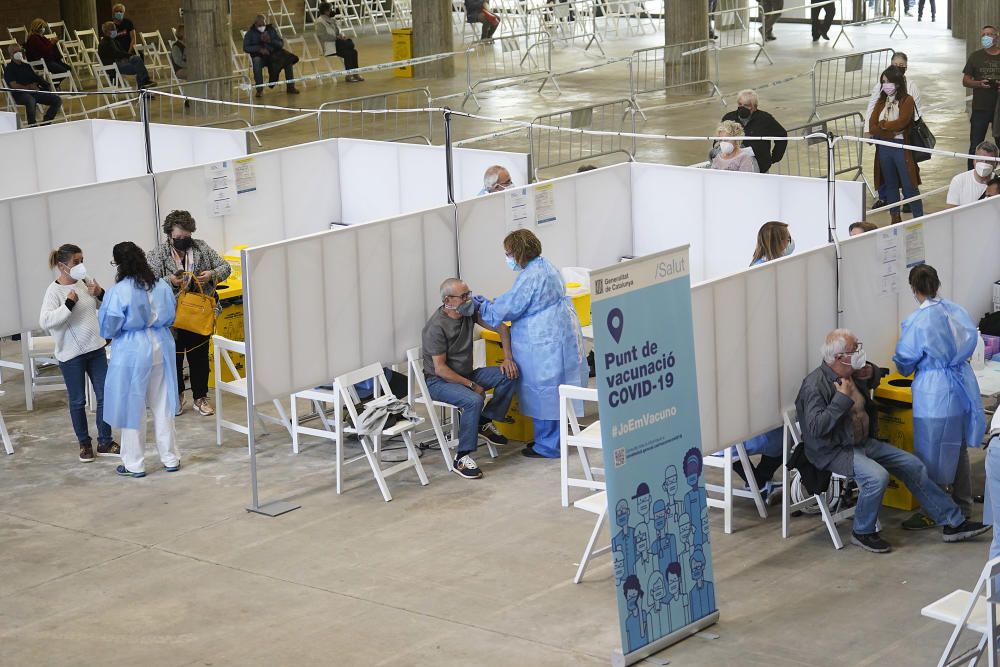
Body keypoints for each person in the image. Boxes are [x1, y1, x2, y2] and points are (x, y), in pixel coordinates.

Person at [794, 328, 990, 553]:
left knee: (913, 464)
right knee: (877, 477)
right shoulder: (814, 385)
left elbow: (878, 375)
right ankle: (863, 531)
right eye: (854, 349)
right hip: (833, 450)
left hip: (862, 442)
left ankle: (953, 522)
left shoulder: (852, 373)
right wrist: (840, 399)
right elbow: (815, 429)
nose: (860, 352)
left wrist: (872, 371)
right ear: (839, 358)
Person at [475, 229, 588, 458]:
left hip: (542, 340)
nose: (506, 257)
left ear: (518, 253)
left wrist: (485, 306)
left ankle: (547, 445)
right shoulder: (546, 267)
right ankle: (555, 439)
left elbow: (510, 308)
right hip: (559, 332)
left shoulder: (531, 277)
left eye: (508, 253)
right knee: (557, 389)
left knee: (544, 392)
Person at [892, 265, 983, 530]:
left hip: (934, 391)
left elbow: (905, 359)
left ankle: (935, 510)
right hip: (961, 385)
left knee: (931, 453)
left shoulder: (918, 321)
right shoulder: (956, 311)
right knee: (958, 447)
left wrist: (907, 366)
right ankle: (963, 504)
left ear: (913, 288)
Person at [99, 241, 180, 478]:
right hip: (161, 345)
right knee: (163, 404)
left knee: (132, 406)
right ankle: (170, 458)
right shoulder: (161, 285)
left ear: (119, 264)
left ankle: (134, 463)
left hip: (132, 349)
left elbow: (109, 326)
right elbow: (172, 314)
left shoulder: (119, 290)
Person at [422, 277, 516, 479]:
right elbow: (440, 369)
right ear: (448, 300)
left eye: (469, 294)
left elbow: (502, 328)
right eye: (463, 296)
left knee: (510, 374)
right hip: (439, 382)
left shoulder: (469, 313)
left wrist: (508, 358)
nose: (468, 300)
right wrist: (472, 385)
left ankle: (484, 420)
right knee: (474, 399)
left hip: (466, 374)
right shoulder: (436, 328)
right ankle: (462, 457)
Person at [39, 244, 119, 463]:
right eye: (76, 262)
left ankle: (105, 440)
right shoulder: (53, 291)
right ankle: (84, 443)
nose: (81, 265)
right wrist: (68, 304)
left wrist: (100, 293)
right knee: (77, 400)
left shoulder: (85, 281)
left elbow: (107, 303)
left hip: (96, 348)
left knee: (105, 395)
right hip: (70, 355)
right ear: (63, 266)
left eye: (82, 260)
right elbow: (45, 321)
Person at [146, 210, 230, 418]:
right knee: (173, 358)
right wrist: (170, 281)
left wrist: (211, 274)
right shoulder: (157, 255)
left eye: (187, 237)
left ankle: (201, 398)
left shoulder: (201, 247)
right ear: (169, 235)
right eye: (178, 238)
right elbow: (147, 283)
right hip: (172, 316)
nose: (183, 241)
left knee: (199, 357)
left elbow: (226, 267)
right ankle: (177, 396)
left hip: (200, 313)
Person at [865, 52, 922, 209]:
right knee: (887, 177)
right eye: (894, 64)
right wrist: (876, 130)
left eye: (901, 65)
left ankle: (911, 204)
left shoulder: (909, 93)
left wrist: (883, 126)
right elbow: (872, 120)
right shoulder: (881, 93)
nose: (897, 68)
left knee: (908, 177)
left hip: (904, 142)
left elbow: (904, 121)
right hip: (884, 143)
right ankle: (889, 205)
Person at [721, 89, 787, 173]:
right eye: (740, 104)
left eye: (746, 105)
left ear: (754, 106)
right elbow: (718, 137)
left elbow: (781, 135)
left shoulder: (765, 119)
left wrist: (774, 158)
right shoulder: (729, 118)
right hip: (733, 168)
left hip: (760, 168)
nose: (742, 108)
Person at [962, 26, 1000, 170]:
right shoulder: (975, 56)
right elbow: (965, 80)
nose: (986, 37)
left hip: (998, 108)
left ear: (996, 37)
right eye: (984, 34)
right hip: (980, 108)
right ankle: (971, 174)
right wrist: (978, 83)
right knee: (975, 144)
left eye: (989, 34)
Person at [2, 44, 62, 126]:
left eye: (19, 51)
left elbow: (35, 78)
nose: (18, 53)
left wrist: (42, 84)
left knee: (57, 100)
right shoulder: (9, 69)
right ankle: (32, 124)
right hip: (20, 94)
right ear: (11, 54)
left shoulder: (27, 66)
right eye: (15, 52)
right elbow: (13, 85)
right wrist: (28, 87)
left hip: (34, 92)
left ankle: (47, 121)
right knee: (31, 100)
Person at [243, 14, 300, 98]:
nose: (262, 26)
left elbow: (280, 44)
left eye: (263, 24)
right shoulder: (250, 33)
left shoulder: (271, 30)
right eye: (260, 25)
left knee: (288, 59)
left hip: (273, 55)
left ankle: (290, 86)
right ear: (255, 24)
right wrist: (259, 49)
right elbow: (246, 47)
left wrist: (270, 40)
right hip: (260, 57)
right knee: (256, 61)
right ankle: (259, 90)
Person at [316, 2, 363, 82]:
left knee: (354, 52)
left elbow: (338, 31)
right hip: (329, 47)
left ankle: (355, 73)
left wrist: (342, 36)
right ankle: (349, 75)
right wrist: (336, 37)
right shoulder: (319, 22)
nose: (332, 10)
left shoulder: (332, 20)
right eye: (331, 9)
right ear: (326, 11)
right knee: (349, 51)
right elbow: (323, 36)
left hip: (338, 45)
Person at [98, 21, 152, 89]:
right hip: (114, 66)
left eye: (115, 29)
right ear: (107, 31)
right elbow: (116, 54)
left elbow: (121, 52)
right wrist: (127, 56)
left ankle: (145, 82)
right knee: (139, 67)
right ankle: (144, 85)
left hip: (119, 62)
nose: (116, 30)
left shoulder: (113, 40)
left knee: (137, 58)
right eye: (113, 29)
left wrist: (128, 57)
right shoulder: (105, 43)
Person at [946, 141, 998, 208]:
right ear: (974, 160)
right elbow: (951, 212)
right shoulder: (959, 181)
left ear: (996, 164)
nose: (984, 163)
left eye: (988, 161)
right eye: (980, 160)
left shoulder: (998, 183)